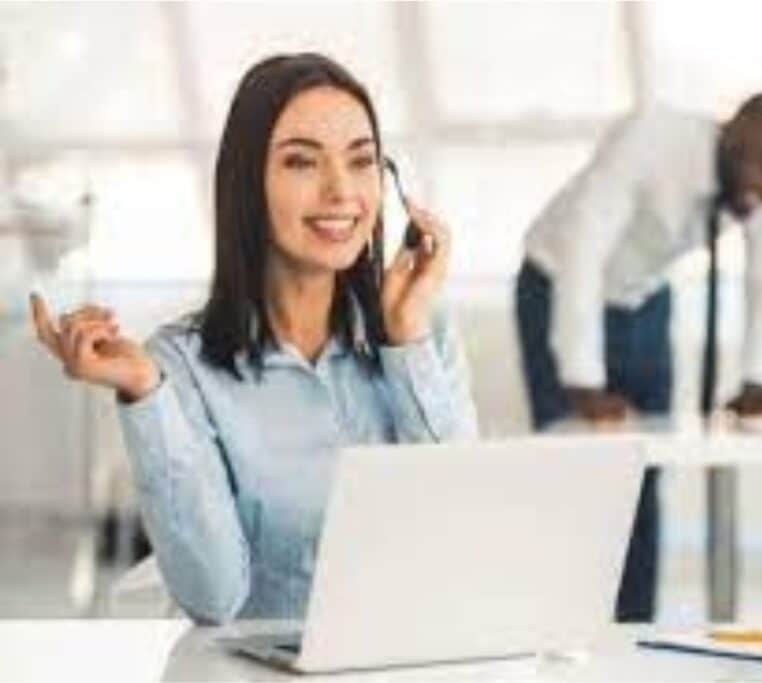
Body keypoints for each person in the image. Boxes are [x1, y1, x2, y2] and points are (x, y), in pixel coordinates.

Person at [30, 53, 477, 624]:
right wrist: (146, 394)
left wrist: (406, 344)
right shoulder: (179, 365)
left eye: (361, 161)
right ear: (248, 183)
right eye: (301, 163)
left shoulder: (424, 332)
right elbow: (214, 598)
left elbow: (459, 537)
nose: (341, 190)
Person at [516, 93, 762, 620]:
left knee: (644, 466)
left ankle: (632, 632)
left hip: (644, 296)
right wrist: (581, 377)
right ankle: (560, 627)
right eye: (761, 169)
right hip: (556, 281)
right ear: (728, 137)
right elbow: (585, 244)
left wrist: (759, 380)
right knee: (571, 465)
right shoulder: (653, 138)